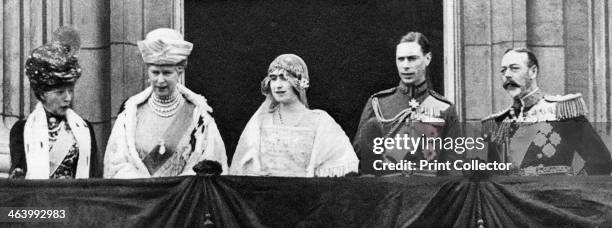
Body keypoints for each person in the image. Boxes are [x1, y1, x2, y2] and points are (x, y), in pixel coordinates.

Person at [104, 28, 227, 178]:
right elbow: (117, 164)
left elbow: (210, 160)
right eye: (155, 72)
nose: (160, 80)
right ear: (148, 71)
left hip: (184, 199)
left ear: (179, 71)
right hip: (142, 198)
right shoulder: (130, 114)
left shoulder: (199, 116)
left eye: (167, 73)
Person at [482, 48, 612, 175]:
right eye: (503, 70)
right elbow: (495, 179)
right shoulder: (499, 124)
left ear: (533, 72)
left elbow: (601, 162)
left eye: (514, 68)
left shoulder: (561, 112)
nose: (507, 75)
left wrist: (571, 188)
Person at [230, 54, 358, 177]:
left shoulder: (320, 121)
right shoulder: (260, 121)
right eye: (273, 78)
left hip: (306, 194)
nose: (278, 85)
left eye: (284, 78)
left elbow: (341, 161)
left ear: (299, 82)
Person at [353, 31, 461, 176]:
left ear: (427, 58)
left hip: (429, 195)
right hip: (387, 194)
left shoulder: (445, 109)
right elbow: (359, 162)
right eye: (401, 59)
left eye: (412, 59)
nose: (405, 65)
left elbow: (454, 167)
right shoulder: (378, 104)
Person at [9, 36, 101, 179]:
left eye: (70, 90)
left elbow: (94, 177)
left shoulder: (84, 129)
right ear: (42, 93)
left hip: (78, 200)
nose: (68, 98)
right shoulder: (22, 130)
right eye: (60, 92)